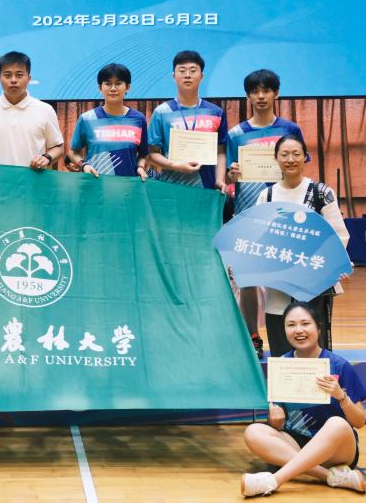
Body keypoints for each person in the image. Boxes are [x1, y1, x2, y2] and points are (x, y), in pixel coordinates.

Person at [240, 301, 366, 497]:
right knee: (253, 432)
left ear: (318, 327)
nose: (298, 330)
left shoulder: (339, 365)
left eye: (305, 323)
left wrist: (341, 397)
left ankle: (274, 480)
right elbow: (277, 424)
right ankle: (330, 476)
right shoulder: (282, 366)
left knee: (337, 424)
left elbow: (359, 421)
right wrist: (274, 419)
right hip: (296, 445)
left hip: (337, 452)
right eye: (291, 325)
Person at [226, 70, 305, 358]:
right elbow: (229, 177)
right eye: (255, 91)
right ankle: (253, 337)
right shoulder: (236, 134)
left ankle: (287, 341)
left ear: (276, 93)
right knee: (247, 280)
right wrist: (232, 175)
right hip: (248, 215)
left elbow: (299, 165)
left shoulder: (290, 129)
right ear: (248, 96)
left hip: (283, 217)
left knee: (284, 281)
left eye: (266, 90)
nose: (261, 96)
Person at [254, 135, 350, 357]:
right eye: (284, 154)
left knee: (313, 346)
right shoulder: (267, 196)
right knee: (281, 346)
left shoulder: (321, 193)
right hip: (278, 285)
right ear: (276, 158)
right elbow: (258, 237)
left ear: (305, 157)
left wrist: (329, 263)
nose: (290, 159)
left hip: (314, 284)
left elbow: (339, 236)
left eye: (296, 154)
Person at [147, 50, 228, 189]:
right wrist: (175, 165)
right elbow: (151, 153)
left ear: (201, 76)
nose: (187, 75)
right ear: (174, 76)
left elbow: (221, 152)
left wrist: (219, 180)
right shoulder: (162, 112)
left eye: (193, 70)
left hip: (206, 187)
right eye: (182, 70)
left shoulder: (216, 112)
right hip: (172, 188)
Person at [0, 51, 64, 169]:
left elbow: (58, 147)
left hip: (33, 179)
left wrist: (47, 157)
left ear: (29, 78)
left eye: (19, 75)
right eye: (7, 75)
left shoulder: (45, 110)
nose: (13, 80)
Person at [66, 63, 149, 179]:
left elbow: (144, 154)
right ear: (100, 88)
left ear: (128, 87)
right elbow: (73, 152)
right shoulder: (87, 119)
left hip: (128, 187)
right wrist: (84, 165)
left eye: (118, 83)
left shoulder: (138, 119)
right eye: (108, 84)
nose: (113, 88)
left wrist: (140, 167)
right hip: (96, 186)